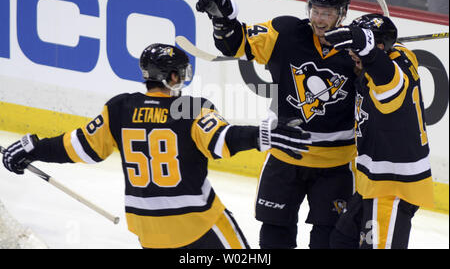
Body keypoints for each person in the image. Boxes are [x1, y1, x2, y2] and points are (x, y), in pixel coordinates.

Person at [1, 43, 311, 249]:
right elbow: (222, 139)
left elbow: (78, 146)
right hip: (198, 224)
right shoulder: (191, 108)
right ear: (173, 76)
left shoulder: (120, 108)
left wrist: (33, 147)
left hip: (149, 231)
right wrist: (262, 135)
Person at [196, 0, 358, 249]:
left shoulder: (356, 45)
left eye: (327, 13)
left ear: (342, 13)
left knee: (329, 241)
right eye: (315, 11)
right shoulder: (286, 31)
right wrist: (224, 20)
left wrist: (374, 52)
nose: (319, 19)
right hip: (285, 153)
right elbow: (235, 44)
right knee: (274, 237)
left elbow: (384, 81)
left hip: (336, 165)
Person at [324, 13, 434, 249]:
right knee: (341, 241)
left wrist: (368, 49)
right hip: (372, 181)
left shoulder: (389, 78)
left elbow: (389, 84)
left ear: (377, 48)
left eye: (358, 48)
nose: (352, 53)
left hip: (392, 184)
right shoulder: (403, 54)